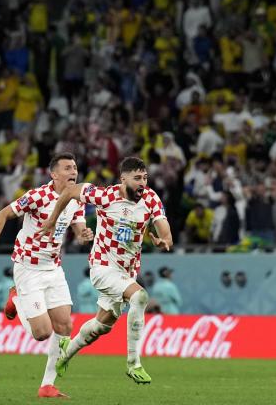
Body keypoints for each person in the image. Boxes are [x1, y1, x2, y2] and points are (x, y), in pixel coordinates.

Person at [38, 156, 174, 385]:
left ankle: (64, 355)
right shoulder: (105, 195)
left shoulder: (150, 198)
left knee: (102, 326)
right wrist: (52, 220)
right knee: (140, 296)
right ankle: (134, 363)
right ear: (123, 179)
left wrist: (165, 240)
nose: (143, 183)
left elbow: (165, 229)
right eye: (137, 178)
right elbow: (71, 192)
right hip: (102, 267)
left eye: (145, 178)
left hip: (126, 272)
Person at [0, 152, 94, 398]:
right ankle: (16, 300)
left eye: (75, 167)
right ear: (54, 174)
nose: (74, 172)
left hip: (53, 267)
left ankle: (47, 385)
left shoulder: (76, 198)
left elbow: (78, 225)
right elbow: (3, 214)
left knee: (65, 326)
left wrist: (83, 234)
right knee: (42, 333)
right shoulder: (38, 196)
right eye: (68, 168)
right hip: (28, 268)